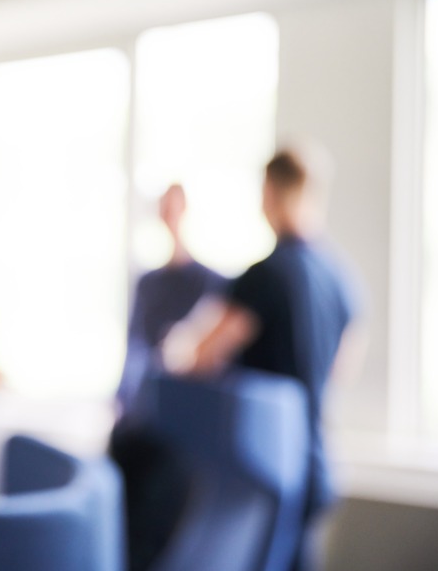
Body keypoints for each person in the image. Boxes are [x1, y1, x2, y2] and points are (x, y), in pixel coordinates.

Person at [165, 142, 364, 571]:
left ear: (270, 193)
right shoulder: (341, 278)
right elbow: (340, 370)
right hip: (315, 461)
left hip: (264, 466)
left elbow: (200, 357)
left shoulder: (265, 276)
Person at [111, 184, 227, 571]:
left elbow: (204, 361)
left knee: (160, 534)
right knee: (122, 528)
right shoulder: (147, 283)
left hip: (178, 435)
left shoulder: (210, 283)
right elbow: (133, 353)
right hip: (135, 425)